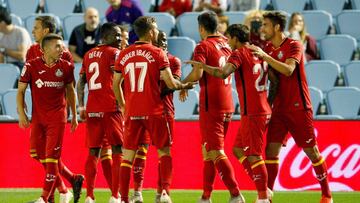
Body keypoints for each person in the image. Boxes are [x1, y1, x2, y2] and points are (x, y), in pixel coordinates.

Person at [246, 11, 333, 203]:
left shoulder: (294, 45)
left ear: (277, 27)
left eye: (266, 25)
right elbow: (274, 80)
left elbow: (288, 69)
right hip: (279, 109)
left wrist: (264, 57)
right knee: (270, 151)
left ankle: (327, 194)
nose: (262, 29)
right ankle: (267, 196)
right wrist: (267, 106)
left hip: (299, 107)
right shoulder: (268, 47)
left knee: (311, 151)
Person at [187, 23, 272, 203]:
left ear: (234, 38)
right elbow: (275, 81)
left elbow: (222, 73)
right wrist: (267, 103)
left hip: (246, 111)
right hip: (251, 108)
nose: (228, 42)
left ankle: (254, 196)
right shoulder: (259, 52)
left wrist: (200, 66)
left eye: (230, 38)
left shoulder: (238, 53)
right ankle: (206, 196)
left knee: (244, 153)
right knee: (234, 149)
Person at [113, 16, 195, 203]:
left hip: (132, 112)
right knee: (164, 152)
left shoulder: (124, 54)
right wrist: (185, 86)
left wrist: (123, 104)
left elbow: (115, 83)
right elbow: (170, 82)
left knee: (127, 157)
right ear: (150, 32)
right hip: (155, 111)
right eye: (156, 29)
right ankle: (164, 193)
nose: (157, 32)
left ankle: (124, 198)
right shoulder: (158, 53)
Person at [180, 11, 244, 203]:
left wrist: (182, 84)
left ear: (201, 28)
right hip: (228, 103)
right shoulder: (226, 43)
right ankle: (206, 196)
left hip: (211, 106)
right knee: (207, 150)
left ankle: (235, 194)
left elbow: (198, 73)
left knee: (216, 151)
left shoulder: (203, 46)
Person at [25, 15, 84, 203]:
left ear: (46, 31)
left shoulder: (64, 54)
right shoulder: (31, 51)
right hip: (38, 113)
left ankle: (52, 194)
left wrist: (73, 113)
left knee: (51, 156)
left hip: (56, 112)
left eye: (36, 27)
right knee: (37, 153)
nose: (33, 31)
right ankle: (72, 180)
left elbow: (70, 87)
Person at [130, 30, 182, 203]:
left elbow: (170, 86)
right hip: (143, 110)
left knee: (164, 152)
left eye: (165, 38)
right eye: (160, 38)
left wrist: (159, 86)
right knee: (140, 151)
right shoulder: (146, 58)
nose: (163, 41)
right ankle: (137, 192)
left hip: (164, 111)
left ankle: (162, 193)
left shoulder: (173, 61)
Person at [77, 22, 124, 203]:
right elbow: (120, 79)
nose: (119, 39)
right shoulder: (114, 53)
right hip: (111, 108)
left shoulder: (89, 54)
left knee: (94, 151)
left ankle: (89, 196)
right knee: (118, 149)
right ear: (105, 36)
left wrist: (81, 106)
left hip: (93, 109)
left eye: (120, 35)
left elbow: (81, 82)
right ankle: (115, 196)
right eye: (116, 35)